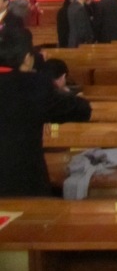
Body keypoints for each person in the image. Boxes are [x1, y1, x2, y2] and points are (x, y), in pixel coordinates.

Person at [0, 28, 91, 196]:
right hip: (23, 184)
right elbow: (82, 111)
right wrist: (64, 93)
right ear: (27, 58)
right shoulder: (33, 85)